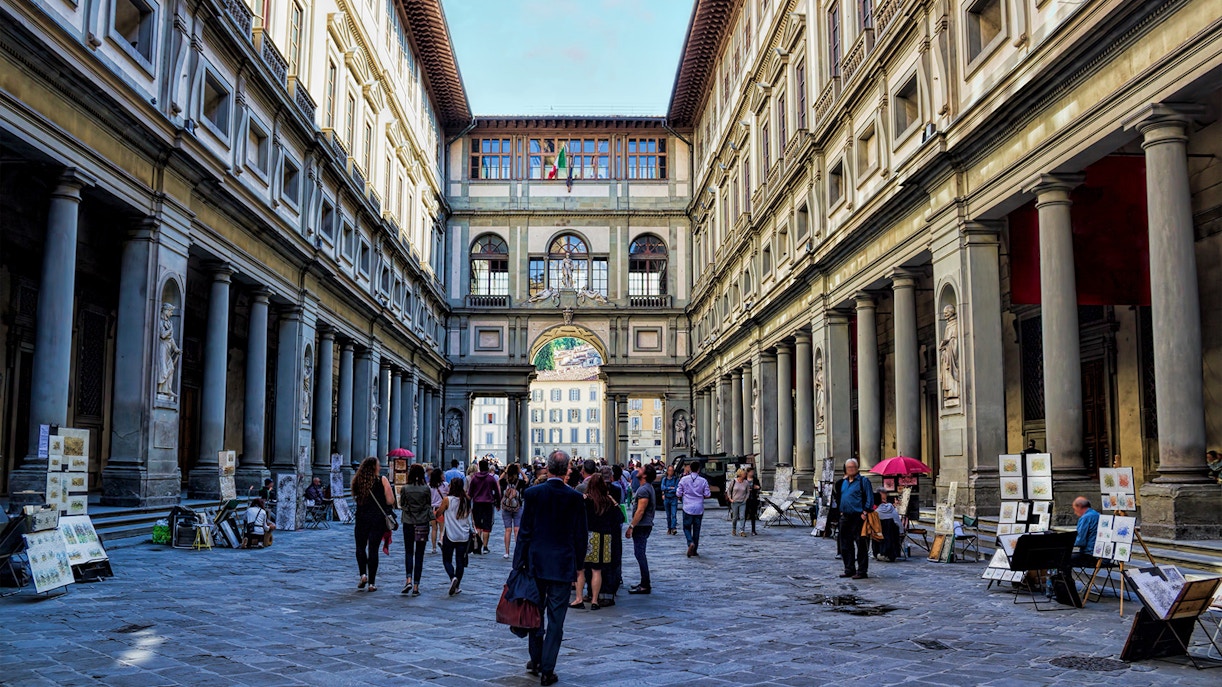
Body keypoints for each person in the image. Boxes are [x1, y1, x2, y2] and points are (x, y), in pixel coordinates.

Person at [513, 450, 587, 686]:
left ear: (546, 467)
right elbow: (580, 535)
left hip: (536, 564)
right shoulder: (574, 498)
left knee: (535, 614)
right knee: (556, 620)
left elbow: (524, 532)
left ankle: (536, 660)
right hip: (563, 565)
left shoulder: (533, 494)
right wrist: (578, 564)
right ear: (567, 470)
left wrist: (518, 564)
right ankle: (548, 669)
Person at [572, 474, 622, 611]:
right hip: (604, 538)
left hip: (588, 537)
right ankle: (595, 600)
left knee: (581, 570)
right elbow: (620, 517)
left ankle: (579, 598)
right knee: (597, 570)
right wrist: (612, 500)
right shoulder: (607, 501)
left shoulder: (586, 500)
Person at [352, 457, 395, 592]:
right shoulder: (382, 480)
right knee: (373, 550)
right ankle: (372, 583)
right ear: (374, 467)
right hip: (377, 519)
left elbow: (356, 498)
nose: (380, 467)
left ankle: (363, 574)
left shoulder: (358, 481)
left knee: (360, 547)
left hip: (361, 518)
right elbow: (390, 500)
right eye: (378, 465)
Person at [831, 459, 874, 579]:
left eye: (853, 467)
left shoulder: (863, 481)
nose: (851, 469)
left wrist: (865, 511)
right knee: (845, 545)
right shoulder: (843, 482)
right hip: (845, 517)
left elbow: (870, 498)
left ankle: (862, 571)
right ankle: (849, 569)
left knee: (861, 545)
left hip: (858, 517)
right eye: (849, 467)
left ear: (857, 468)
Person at [436, 477, 474, 596]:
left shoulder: (448, 500)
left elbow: (438, 513)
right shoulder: (466, 499)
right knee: (460, 561)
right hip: (463, 534)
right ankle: (457, 586)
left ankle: (452, 577)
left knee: (447, 559)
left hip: (450, 534)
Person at [399, 464, 431, 596]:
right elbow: (428, 505)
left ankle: (408, 580)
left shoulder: (405, 488)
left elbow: (402, 504)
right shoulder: (425, 489)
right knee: (419, 554)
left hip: (408, 522)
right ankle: (416, 586)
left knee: (408, 552)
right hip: (422, 523)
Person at [626, 465, 657, 594]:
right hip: (645, 525)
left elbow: (640, 510)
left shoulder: (643, 490)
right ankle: (644, 582)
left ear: (644, 475)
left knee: (640, 554)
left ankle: (645, 584)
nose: (638, 470)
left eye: (641, 469)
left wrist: (631, 526)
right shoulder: (646, 488)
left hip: (642, 525)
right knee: (640, 553)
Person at [675, 461, 711, 557]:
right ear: (699, 469)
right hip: (699, 508)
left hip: (687, 507)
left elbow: (678, 493)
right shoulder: (703, 481)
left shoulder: (684, 480)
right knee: (696, 529)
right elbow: (707, 494)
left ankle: (690, 542)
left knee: (686, 527)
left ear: (690, 468)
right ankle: (694, 550)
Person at [468, 459, 501, 555]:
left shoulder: (474, 478)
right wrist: (498, 504)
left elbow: (470, 493)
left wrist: (468, 505)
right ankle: (485, 547)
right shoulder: (491, 479)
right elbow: (497, 493)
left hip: (477, 504)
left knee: (477, 525)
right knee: (487, 526)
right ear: (487, 467)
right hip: (488, 504)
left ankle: (477, 546)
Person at [500, 464, 527, 559]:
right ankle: (518, 550)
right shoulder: (519, 482)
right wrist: (521, 471)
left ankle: (506, 552)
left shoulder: (505, 481)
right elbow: (527, 480)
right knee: (517, 529)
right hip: (517, 507)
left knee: (507, 530)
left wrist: (505, 470)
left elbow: (499, 480)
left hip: (506, 507)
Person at [872, 492, 902, 562]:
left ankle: (879, 553)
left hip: (883, 534)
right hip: (895, 532)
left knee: (875, 532)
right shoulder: (890, 506)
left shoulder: (876, 512)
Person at [1071, 496, 1100, 567]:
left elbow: (1080, 541)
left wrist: (1067, 544)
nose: (1075, 512)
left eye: (1075, 509)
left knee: (1062, 558)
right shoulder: (1098, 515)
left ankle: (1065, 577)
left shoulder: (1085, 518)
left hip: (1090, 555)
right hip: (1101, 555)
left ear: (1080, 506)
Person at [428, 467, 448, 554]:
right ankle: (441, 540)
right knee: (442, 529)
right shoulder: (445, 485)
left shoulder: (429, 486)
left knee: (434, 529)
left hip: (432, 509)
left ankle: (433, 547)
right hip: (441, 509)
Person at [727, 469, 750, 537]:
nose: (745, 475)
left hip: (742, 502)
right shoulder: (734, 481)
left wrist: (745, 499)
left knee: (742, 516)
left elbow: (748, 492)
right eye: (744, 474)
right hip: (735, 502)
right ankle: (734, 529)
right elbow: (729, 490)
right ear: (740, 474)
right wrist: (730, 499)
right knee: (735, 517)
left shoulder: (746, 482)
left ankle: (742, 530)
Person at [660, 465, 680, 535]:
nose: (670, 472)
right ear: (667, 471)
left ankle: (673, 527)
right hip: (667, 498)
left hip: (673, 498)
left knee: (674, 514)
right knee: (668, 515)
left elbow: (676, 488)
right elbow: (662, 487)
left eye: (672, 470)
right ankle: (669, 527)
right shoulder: (664, 479)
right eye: (669, 470)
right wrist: (670, 488)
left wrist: (668, 489)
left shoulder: (676, 479)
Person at [744, 466, 762, 535]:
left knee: (753, 515)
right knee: (744, 514)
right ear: (748, 472)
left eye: (753, 472)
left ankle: (753, 530)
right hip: (745, 499)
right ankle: (742, 529)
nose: (752, 473)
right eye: (751, 472)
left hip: (753, 498)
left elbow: (759, 487)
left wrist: (757, 487)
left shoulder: (755, 479)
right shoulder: (744, 479)